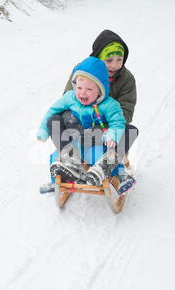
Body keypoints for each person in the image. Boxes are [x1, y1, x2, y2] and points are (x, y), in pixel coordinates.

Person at [46, 29, 138, 190]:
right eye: (109, 60)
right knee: (54, 120)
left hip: (105, 130)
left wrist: (105, 127)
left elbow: (126, 111)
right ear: (98, 57)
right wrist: (74, 118)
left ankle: (108, 164)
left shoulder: (126, 79)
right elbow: (67, 99)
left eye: (119, 59)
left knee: (130, 130)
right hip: (78, 126)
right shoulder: (82, 70)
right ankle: (70, 161)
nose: (115, 65)